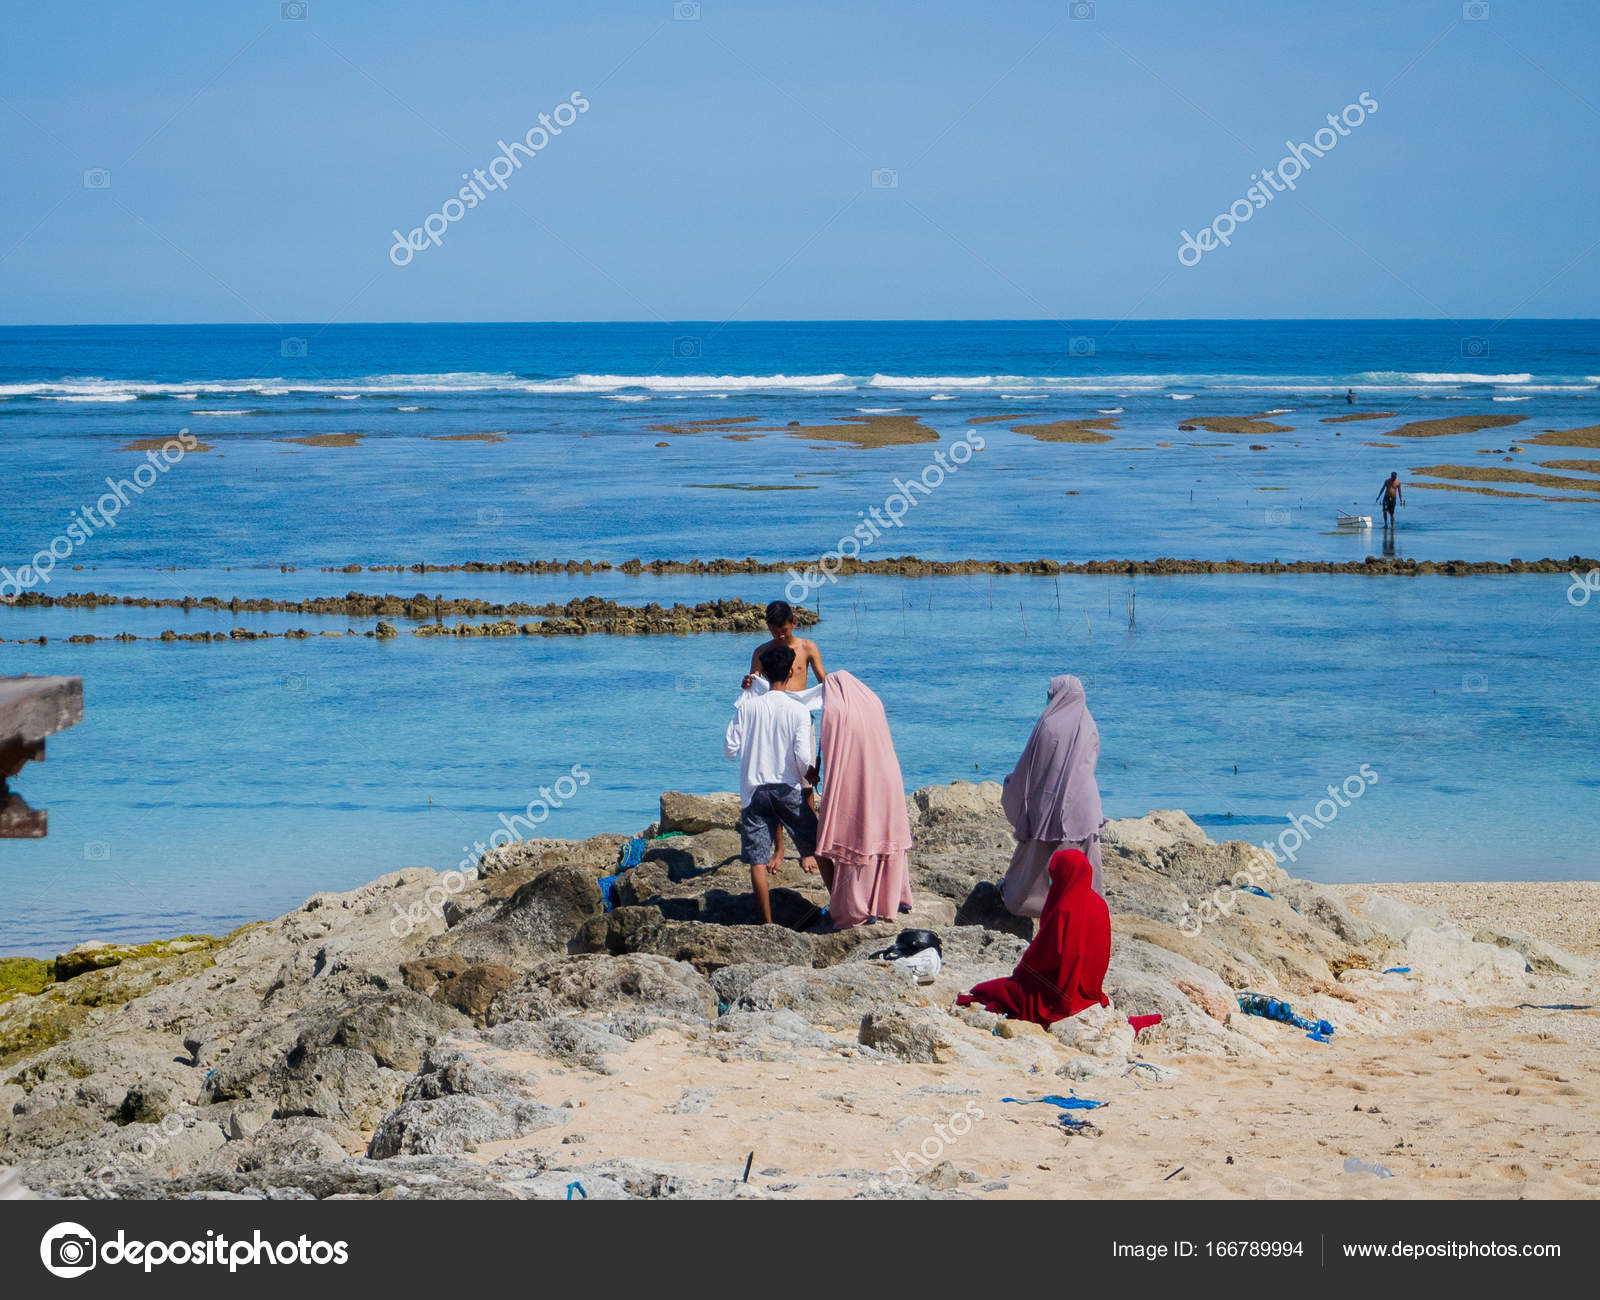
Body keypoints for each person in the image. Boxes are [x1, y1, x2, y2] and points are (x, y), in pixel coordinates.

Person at [956, 849, 1110, 1028]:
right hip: (1090, 989)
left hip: (1059, 993)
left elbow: (1042, 958)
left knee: (984, 990)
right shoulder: (1100, 904)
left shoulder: (1064, 909)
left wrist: (1019, 975)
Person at [724, 643, 820, 925]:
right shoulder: (798, 711)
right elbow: (802, 757)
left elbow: (730, 749)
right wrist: (811, 773)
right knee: (818, 846)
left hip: (754, 791)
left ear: (762, 672)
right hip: (787, 788)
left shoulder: (748, 708)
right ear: (791, 672)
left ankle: (767, 924)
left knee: (757, 860)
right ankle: (838, 905)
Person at [810, 671, 914, 928]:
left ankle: (858, 907)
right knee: (883, 835)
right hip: (888, 776)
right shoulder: (872, 704)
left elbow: (835, 754)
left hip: (861, 779)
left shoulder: (836, 713)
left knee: (860, 836)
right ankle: (891, 898)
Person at [999, 674, 1105, 913]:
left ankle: (1029, 903)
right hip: (1084, 807)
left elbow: (1032, 769)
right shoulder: (1088, 724)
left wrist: (1012, 786)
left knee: (1037, 862)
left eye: (1050, 693)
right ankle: (1083, 908)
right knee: (1081, 867)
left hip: (1049, 806)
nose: (1048, 697)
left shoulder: (1048, 725)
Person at [742, 599, 826, 861]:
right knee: (774, 781)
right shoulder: (762, 652)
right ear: (767, 626)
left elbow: (825, 682)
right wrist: (747, 683)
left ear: (794, 623)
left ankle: (808, 850)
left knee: (805, 784)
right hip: (771, 723)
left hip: (801, 718)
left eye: (784, 630)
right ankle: (778, 849)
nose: (779, 635)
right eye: (774, 630)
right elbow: (753, 686)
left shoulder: (807, 647)